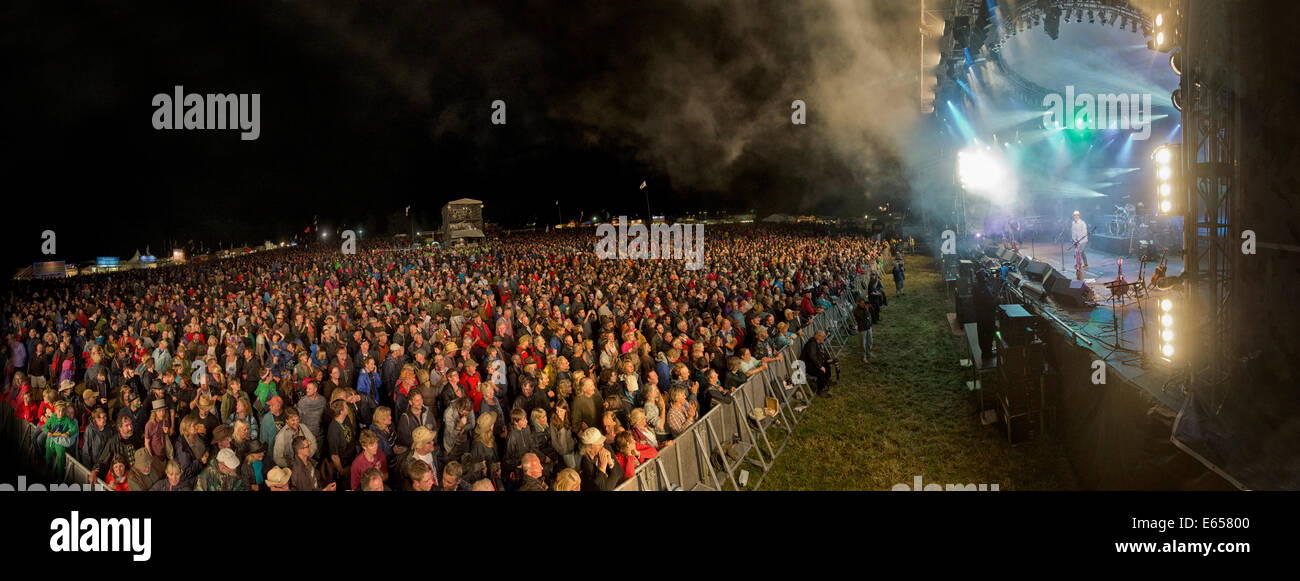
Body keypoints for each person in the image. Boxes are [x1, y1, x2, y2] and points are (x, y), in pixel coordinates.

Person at [801, 330, 832, 398]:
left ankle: (827, 380)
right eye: (823, 336)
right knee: (820, 371)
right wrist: (820, 366)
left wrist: (826, 360)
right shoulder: (812, 343)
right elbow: (813, 357)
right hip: (807, 366)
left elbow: (818, 355)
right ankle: (820, 390)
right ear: (819, 337)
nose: (824, 337)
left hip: (811, 363)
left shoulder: (816, 342)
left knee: (827, 364)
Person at [853, 298, 873, 363]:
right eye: (861, 303)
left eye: (864, 303)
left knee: (870, 341)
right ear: (858, 303)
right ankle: (863, 357)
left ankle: (869, 353)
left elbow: (871, 313)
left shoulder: (865, 307)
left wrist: (869, 307)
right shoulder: (856, 311)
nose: (863, 304)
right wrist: (867, 310)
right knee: (863, 344)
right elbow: (863, 318)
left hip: (868, 327)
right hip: (862, 328)